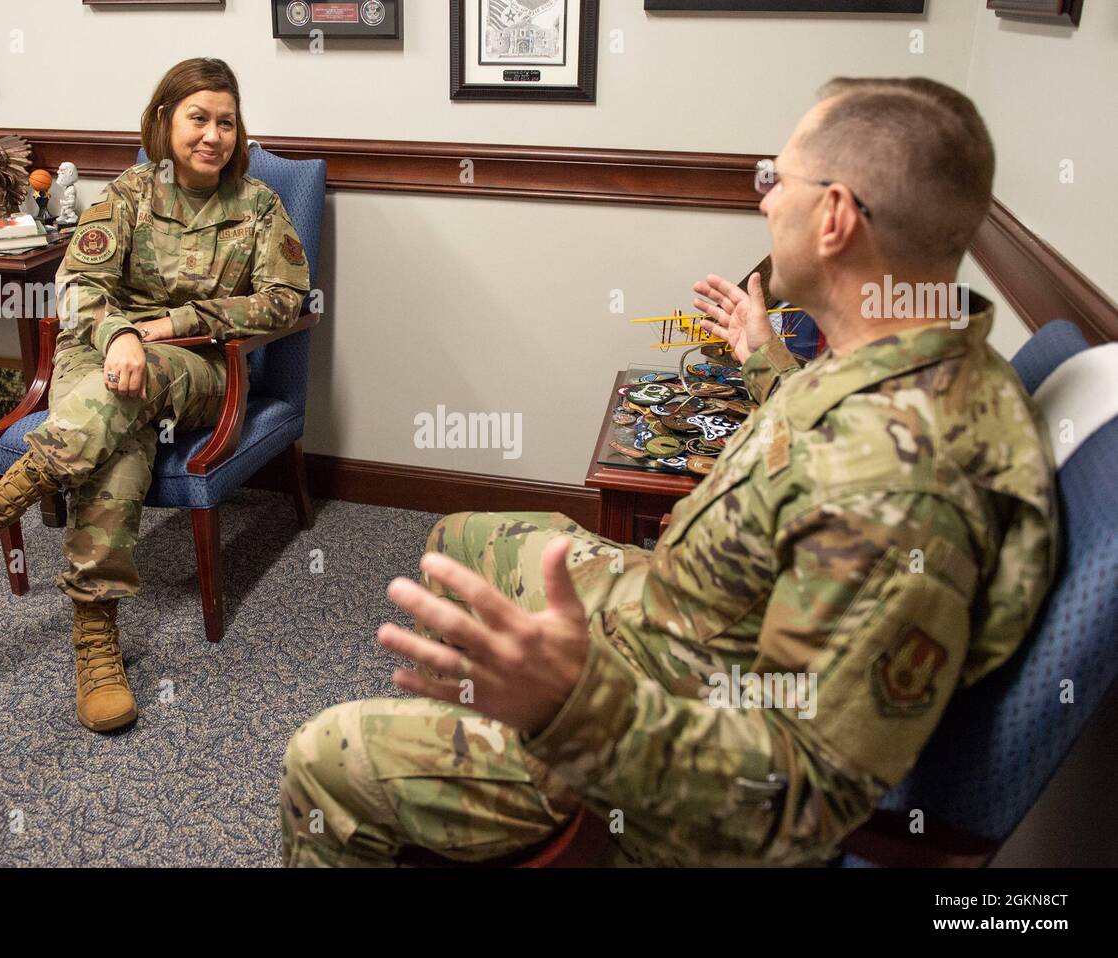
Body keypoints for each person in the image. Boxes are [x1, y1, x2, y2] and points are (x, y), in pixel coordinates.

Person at [280, 77, 1059, 866]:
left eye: (776, 181)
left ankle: (494, 795)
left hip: (670, 732)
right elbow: (829, 435)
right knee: (460, 540)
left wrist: (567, 704)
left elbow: (799, 799)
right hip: (679, 616)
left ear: (835, 218)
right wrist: (764, 356)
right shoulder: (908, 345)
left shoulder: (901, 495)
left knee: (324, 756)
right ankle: (463, 779)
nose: (763, 202)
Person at [0, 58, 311, 733]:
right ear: (164, 121)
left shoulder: (260, 207)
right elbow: (77, 283)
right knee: (119, 431)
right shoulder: (127, 193)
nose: (213, 134)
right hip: (96, 359)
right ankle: (96, 640)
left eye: (226, 122)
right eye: (198, 118)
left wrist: (171, 326)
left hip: (200, 370)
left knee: (135, 381)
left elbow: (283, 302)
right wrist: (119, 334)